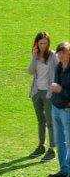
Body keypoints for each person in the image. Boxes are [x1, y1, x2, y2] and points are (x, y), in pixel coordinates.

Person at [28, 32, 58, 161]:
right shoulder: (35, 55)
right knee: (41, 121)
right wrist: (34, 57)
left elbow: (59, 71)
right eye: (41, 43)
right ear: (37, 43)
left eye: (45, 43)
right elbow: (30, 71)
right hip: (36, 92)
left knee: (50, 122)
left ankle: (52, 149)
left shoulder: (53, 56)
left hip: (49, 93)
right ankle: (41, 146)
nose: (43, 46)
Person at [48, 41, 70, 177]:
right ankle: (64, 170)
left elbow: (61, 88)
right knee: (59, 141)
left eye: (63, 52)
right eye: (59, 52)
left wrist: (61, 90)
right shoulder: (58, 67)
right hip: (56, 107)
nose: (60, 55)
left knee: (69, 142)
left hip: (67, 110)